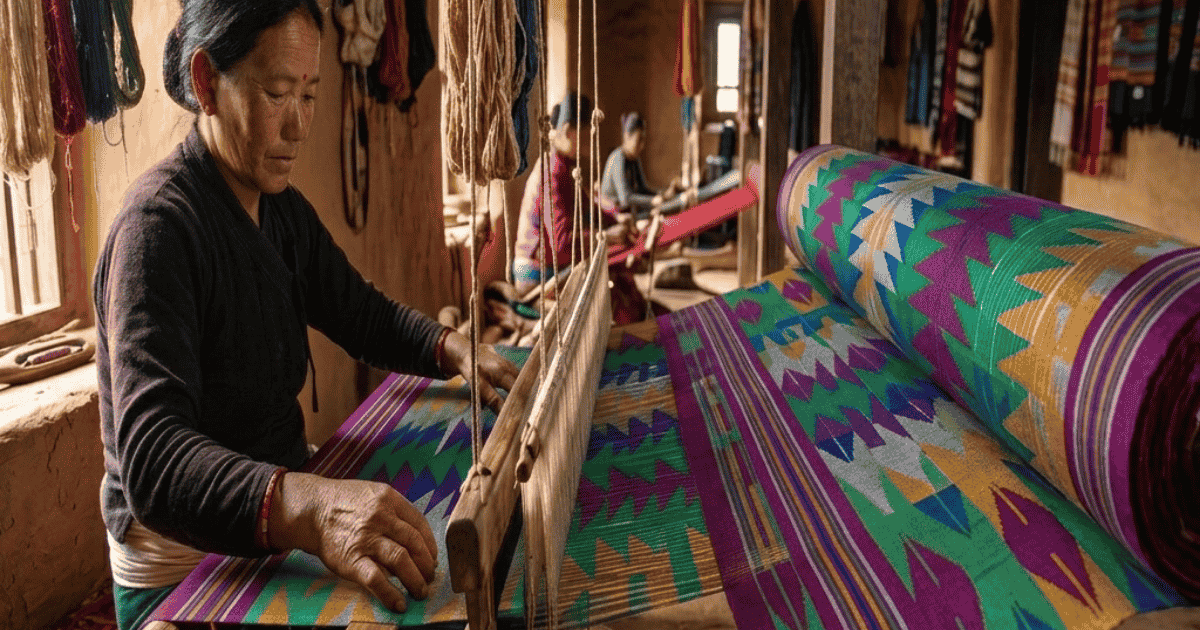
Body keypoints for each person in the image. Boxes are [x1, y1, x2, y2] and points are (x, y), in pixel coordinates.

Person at [92, 2, 520, 629]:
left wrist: (452, 349)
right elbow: (154, 462)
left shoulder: (281, 212)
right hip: (187, 569)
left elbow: (359, 312)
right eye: (277, 94)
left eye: (310, 95)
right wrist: (313, 508)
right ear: (207, 81)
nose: (298, 126)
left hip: (279, 516)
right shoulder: (156, 231)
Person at [511, 92, 647, 325]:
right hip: (536, 273)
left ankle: (636, 326)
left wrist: (616, 221)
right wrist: (607, 237)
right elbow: (562, 245)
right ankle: (626, 337)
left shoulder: (566, 167)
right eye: (585, 134)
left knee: (620, 275)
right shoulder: (551, 173)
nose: (590, 140)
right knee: (609, 282)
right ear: (566, 131)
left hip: (553, 265)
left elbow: (590, 208)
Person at [598, 112, 677, 217]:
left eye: (643, 140)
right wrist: (653, 200)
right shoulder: (618, 158)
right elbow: (625, 198)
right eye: (639, 140)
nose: (642, 145)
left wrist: (663, 194)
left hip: (628, 212)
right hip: (613, 216)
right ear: (627, 136)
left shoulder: (635, 159)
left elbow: (643, 189)